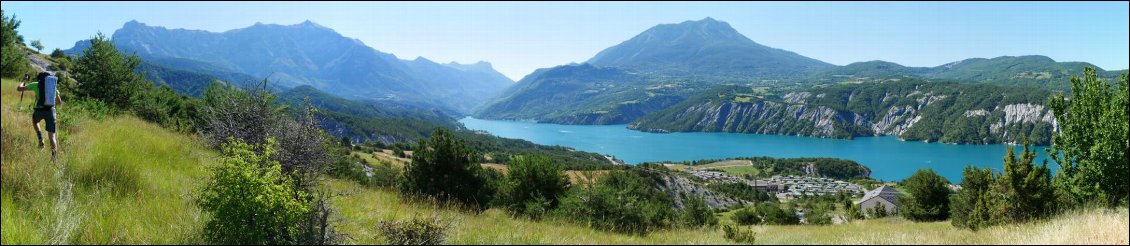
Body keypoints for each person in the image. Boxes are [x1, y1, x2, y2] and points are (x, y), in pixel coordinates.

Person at [16, 72, 63, 159]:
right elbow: (59, 103)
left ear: (39, 78)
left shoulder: (36, 84)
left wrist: (24, 81)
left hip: (39, 109)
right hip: (50, 110)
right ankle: (54, 158)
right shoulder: (53, 87)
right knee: (52, 136)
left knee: (35, 121)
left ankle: (40, 138)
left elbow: (19, 89)